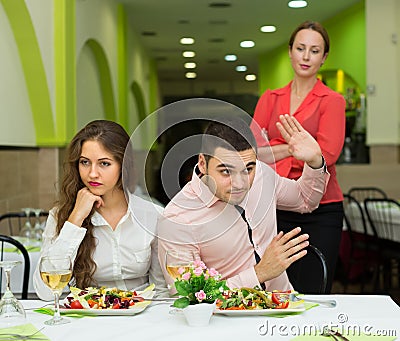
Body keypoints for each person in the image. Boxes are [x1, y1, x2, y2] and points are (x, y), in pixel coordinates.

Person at [158, 115, 329, 292]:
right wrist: (258, 274)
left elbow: (305, 200)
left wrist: (315, 161)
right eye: (226, 171)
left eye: (248, 169)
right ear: (202, 163)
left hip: (285, 307)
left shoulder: (261, 175)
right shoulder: (178, 218)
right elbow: (187, 296)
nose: (240, 183)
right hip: (225, 318)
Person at [250, 21, 346, 293]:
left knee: (316, 286)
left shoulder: (332, 100)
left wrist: (277, 147)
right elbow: (254, 151)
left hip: (322, 207)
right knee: (276, 288)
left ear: (324, 57)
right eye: (300, 48)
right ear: (290, 51)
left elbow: (327, 153)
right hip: (277, 203)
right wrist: (298, 148)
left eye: (314, 51)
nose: (306, 56)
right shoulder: (270, 98)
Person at [33, 120, 168, 300]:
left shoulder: (153, 215)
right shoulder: (61, 215)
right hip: (88, 316)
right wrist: (75, 219)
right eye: (85, 162)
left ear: (123, 165)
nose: (92, 173)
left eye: (104, 164)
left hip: (140, 315)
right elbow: (46, 293)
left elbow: (161, 290)